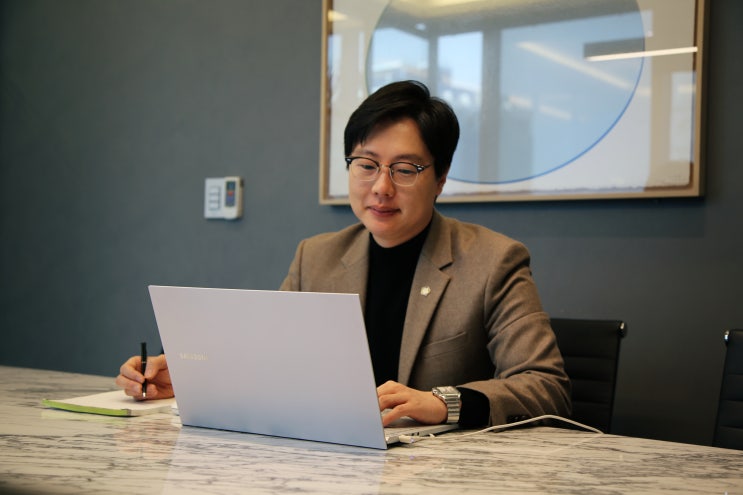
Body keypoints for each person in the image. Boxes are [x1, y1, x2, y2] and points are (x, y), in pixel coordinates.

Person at [117, 80, 571, 428]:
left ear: (441, 177)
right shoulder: (316, 257)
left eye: (405, 169)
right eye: (366, 165)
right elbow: (266, 362)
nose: (381, 187)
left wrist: (442, 402)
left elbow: (546, 386)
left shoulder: (494, 261)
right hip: (327, 459)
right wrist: (188, 375)